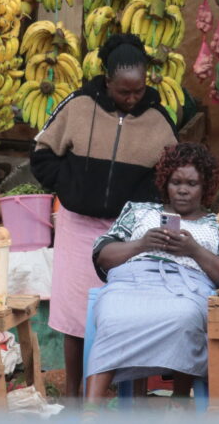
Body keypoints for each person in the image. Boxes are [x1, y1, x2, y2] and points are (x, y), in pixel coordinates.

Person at [31, 33, 177, 398]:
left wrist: (143, 204)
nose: (131, 99)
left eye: (138, 91)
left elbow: (172, 175)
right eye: (123, 91)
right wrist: (72, 188)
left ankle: (131, 397)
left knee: (131, 316)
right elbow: (42, 154)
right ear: (107, 80)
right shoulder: (78, 106)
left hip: (130, 235)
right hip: (78, 226)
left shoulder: (159, 121)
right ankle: (73, 395)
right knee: (76, 316)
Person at [85, 142, 219, 403]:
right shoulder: (139, 212)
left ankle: (179, 400)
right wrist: (142, 244)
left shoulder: (217, 224)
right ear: (165, 182)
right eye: (176, 182)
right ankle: (90, 413)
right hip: (131, 284)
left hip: (186, 290)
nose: (182, 190)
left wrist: (193, 249)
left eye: (192, 184)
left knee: (185, 317)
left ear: (205, 186)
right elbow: (103, 255)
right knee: (113, 316)